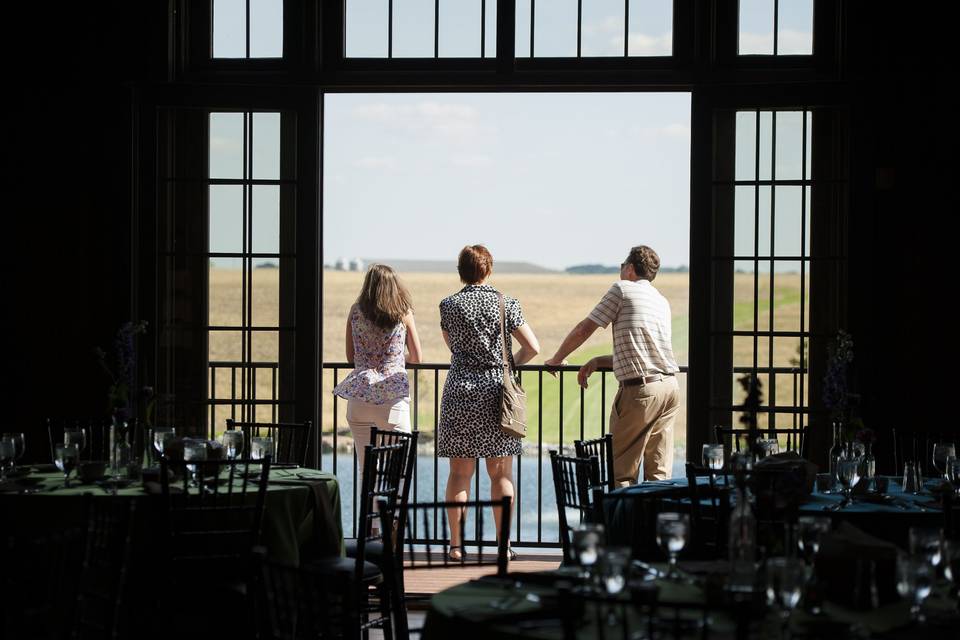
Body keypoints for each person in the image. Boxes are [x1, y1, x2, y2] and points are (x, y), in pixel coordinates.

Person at [437, 245, 540, 560]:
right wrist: (509, 365)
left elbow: (452, 346)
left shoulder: (449, 305)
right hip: (497, 394)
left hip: (460, 392)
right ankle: (504, 545)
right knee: (501, 475)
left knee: (459, 473)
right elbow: (532, 347)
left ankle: (456, 546)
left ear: (461, 271)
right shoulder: (506, 303)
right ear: (489, 269)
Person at [545, 245, 679, 485]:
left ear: (629, 269)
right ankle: (653, 522)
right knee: (658, 475)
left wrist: (556, 359)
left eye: (621, 266)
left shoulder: (622, 289)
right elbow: (648, 352)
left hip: (641, 392)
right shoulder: (661, 300)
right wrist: (599, 360)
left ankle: (623, 523)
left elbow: (584, 328)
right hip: (669, 387)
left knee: (622, 473)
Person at [333, 264, 422, 476]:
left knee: (367, 471)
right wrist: (397, 360)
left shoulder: (356, 311)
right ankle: (391, 510)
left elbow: (350, 356)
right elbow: (417, 358)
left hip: (359, 398)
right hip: (392, 399)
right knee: (398, 472)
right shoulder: (403, 312)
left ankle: (368, 510)